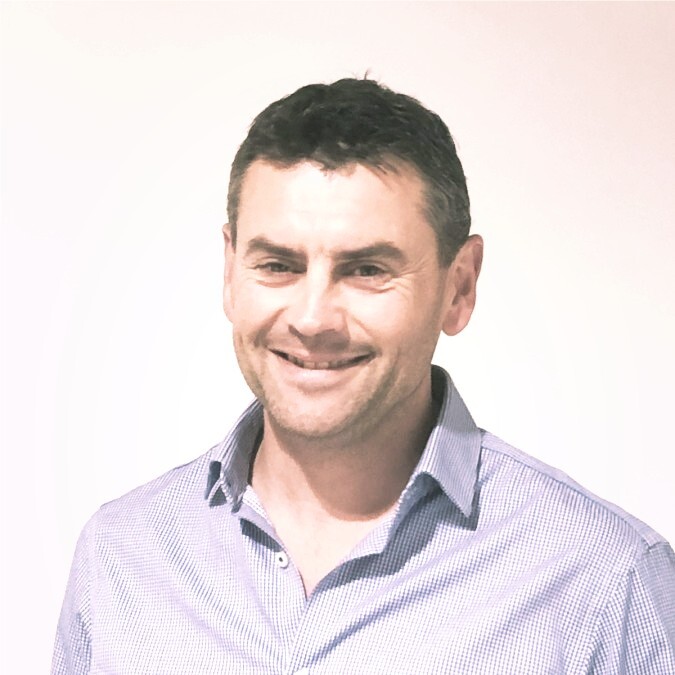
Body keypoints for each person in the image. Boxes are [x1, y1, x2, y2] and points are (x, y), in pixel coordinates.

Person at [52, 78, 675, 674]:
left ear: (459, 288)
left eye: (367, 270)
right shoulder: (121, 556)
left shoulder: (606, 584)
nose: (312, 319)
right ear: (230, 271)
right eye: (277, 265)